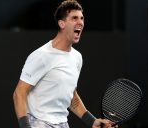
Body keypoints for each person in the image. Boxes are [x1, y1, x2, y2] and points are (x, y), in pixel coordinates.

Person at [13, 0, 114, 128]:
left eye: (81, 18)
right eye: (74, 18)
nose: (80, 22)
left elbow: (71, 95)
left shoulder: (77, 58)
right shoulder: (41, 56)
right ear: (62, 24)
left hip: (62, 124)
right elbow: (19, 93)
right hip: (39, 122)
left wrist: (92, 121)